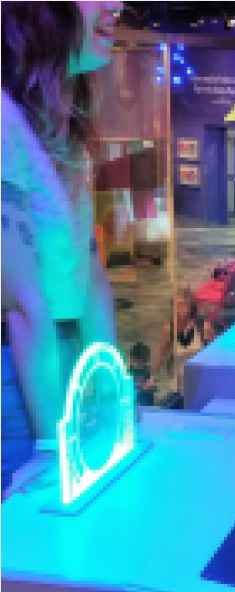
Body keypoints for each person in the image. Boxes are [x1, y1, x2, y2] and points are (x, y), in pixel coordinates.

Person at [1, 1, 122, 493]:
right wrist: (54, 444)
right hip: (22, 388)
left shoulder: (60, 120)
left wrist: (110, 395)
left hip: (62, 368)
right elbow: (23, 306)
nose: (118, 5)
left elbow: (89, 272)